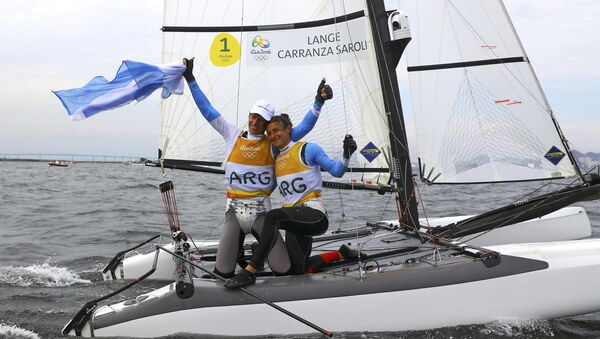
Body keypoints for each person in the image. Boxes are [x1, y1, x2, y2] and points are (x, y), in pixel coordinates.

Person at [182, 58, 333, 277]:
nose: (255, 122)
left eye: (261, 120)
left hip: (261, 213)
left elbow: (304, 127)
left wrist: (318, 102)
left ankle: (256, 258)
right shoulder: (232, 134)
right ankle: (244, 258)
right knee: (223, 271)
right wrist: (190, 78)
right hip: (233, 211)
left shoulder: (273, 143)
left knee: (284, 269)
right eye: (253, 116)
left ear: (266, 123)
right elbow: (207, 109)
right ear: (249, 116)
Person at [224, 114, 357, 288]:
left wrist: (346, 155)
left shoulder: (308, 149)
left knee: (273, 217)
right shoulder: (276, 158)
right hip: (294, 220)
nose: (272, 136)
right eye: (269, 133)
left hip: (314, 215)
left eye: (276, 130)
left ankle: (250, 271)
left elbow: (337, 171)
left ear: (289, 129)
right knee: (298, 270)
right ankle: (340, 254)